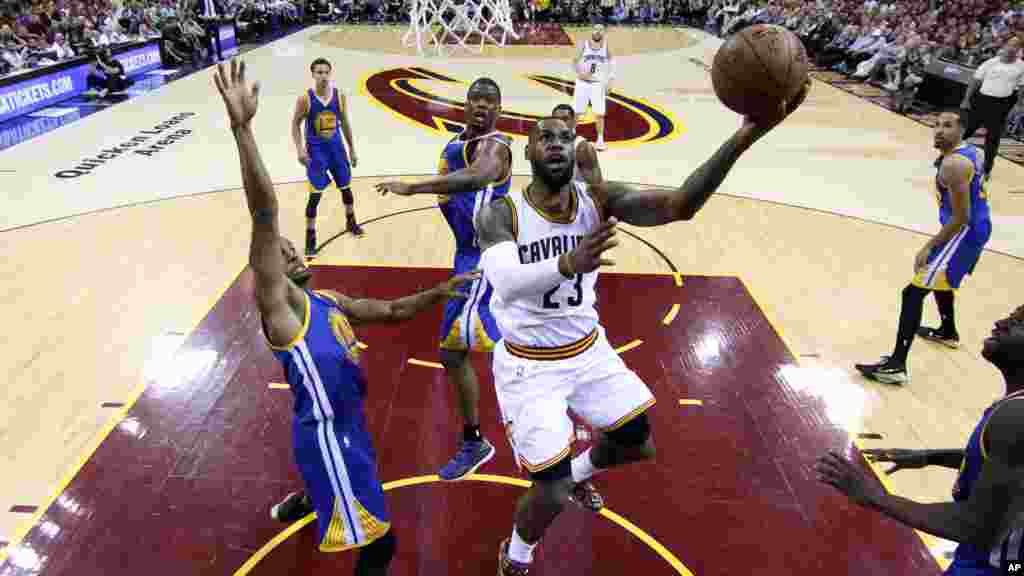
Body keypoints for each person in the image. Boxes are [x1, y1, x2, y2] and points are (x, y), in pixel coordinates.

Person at [477, 82, 810, 575]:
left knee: (637, 440)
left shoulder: (600, 200)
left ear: (577, 148)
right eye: (544, 136)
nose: (554, 143)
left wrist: (746, 136)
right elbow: (505, 283)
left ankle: (582, 473)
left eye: (564, 137)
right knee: (548, 485)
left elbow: (680, 205)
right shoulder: (500, 213)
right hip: (530, 365)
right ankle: (517, 557)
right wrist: (569, 262)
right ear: (527, 149)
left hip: (588, 351)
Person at [213, 58, 476, 575]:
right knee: (380, 548)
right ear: (268, 269)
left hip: (348, 422)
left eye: (293, 250)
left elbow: (392, 310)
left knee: (349, 494)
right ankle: (314, 495)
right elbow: (265, 214)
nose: (291, 254)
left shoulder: (327, 301)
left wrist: (440, 290)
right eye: (281, 252)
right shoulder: (281, 307)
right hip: (330, 432)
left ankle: (306, 499)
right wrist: (243, 130)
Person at [817, 304, 1024, 575]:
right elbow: (1002, 463)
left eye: (1018, 322)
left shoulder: (1016, 415)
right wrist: (930, 457)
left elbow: (973, 526)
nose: (1000, 322)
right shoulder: (1015, 410)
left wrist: (874, 496)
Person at [375, 78, 513, 481]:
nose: (482, 107)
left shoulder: (496, 146)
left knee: (493, 353)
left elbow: (476, 177)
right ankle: (478, 439)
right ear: (465, 104)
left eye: (491, 101)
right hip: (466, 254)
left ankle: (538, 440)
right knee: (458, 352)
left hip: (484, 257)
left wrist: (413, 187)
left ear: (499, 110)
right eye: (476, 99)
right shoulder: (457, 140)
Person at [856, 110, 992, 384]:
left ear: (962, 130)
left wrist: (929, 247)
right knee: (940, 280)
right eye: (936, 125)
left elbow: (960, 217)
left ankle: (896, 366)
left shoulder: (953, 165)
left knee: (913, 293)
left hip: (963, 232)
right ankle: (947, 331)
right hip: (976, 226)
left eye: (948, 126)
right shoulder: (973, 152)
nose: (939, 131)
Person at [293, 57, 363, 258]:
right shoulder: (305, 99)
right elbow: (294, 125)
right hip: (316, 154)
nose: (323, 76)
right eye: (319, 72)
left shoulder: (340, 96)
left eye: (326, 72)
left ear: (330, 73)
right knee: (315, 197)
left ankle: (351, 222)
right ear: (313, 74)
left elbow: (346, 123)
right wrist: (300, 149)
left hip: (337, 150)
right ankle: (310, 237)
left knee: (346, 190)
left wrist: (352, 149)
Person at [960, 35, 1024, 182]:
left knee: (993, 139)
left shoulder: (1021, 66)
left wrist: (1018, 106)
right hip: (982, 101)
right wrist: (966, 99)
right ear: (1005, 45)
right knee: (967, 130)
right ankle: (946, 154)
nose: (1012, 48)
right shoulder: (991, 62)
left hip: (1001, 105)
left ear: (1019, 49)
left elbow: (1021, 88)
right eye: (1010, 44)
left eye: (1016, 45)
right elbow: (975, 81)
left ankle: (987, 169)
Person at [572, 24, 615, 151]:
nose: (598, 32)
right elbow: (574, 61)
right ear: (592, 31)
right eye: (596, 29)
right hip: (582, 83)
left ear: (603, 33)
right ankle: (571, 136)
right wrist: (580, 73)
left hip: (598, 84)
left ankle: (600, 140)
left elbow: (612, 63)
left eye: (601, 30)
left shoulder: (606, 46)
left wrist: (610, 81)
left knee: (599, 113)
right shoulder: (583, 44)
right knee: (577, 111)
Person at [551, 103, 602, 186]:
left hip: (574, 197)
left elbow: (597, 186)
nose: (560, 123)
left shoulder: (582, 147)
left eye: (565, 119)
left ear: (574, 121)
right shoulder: (546, 146)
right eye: (557, 119)